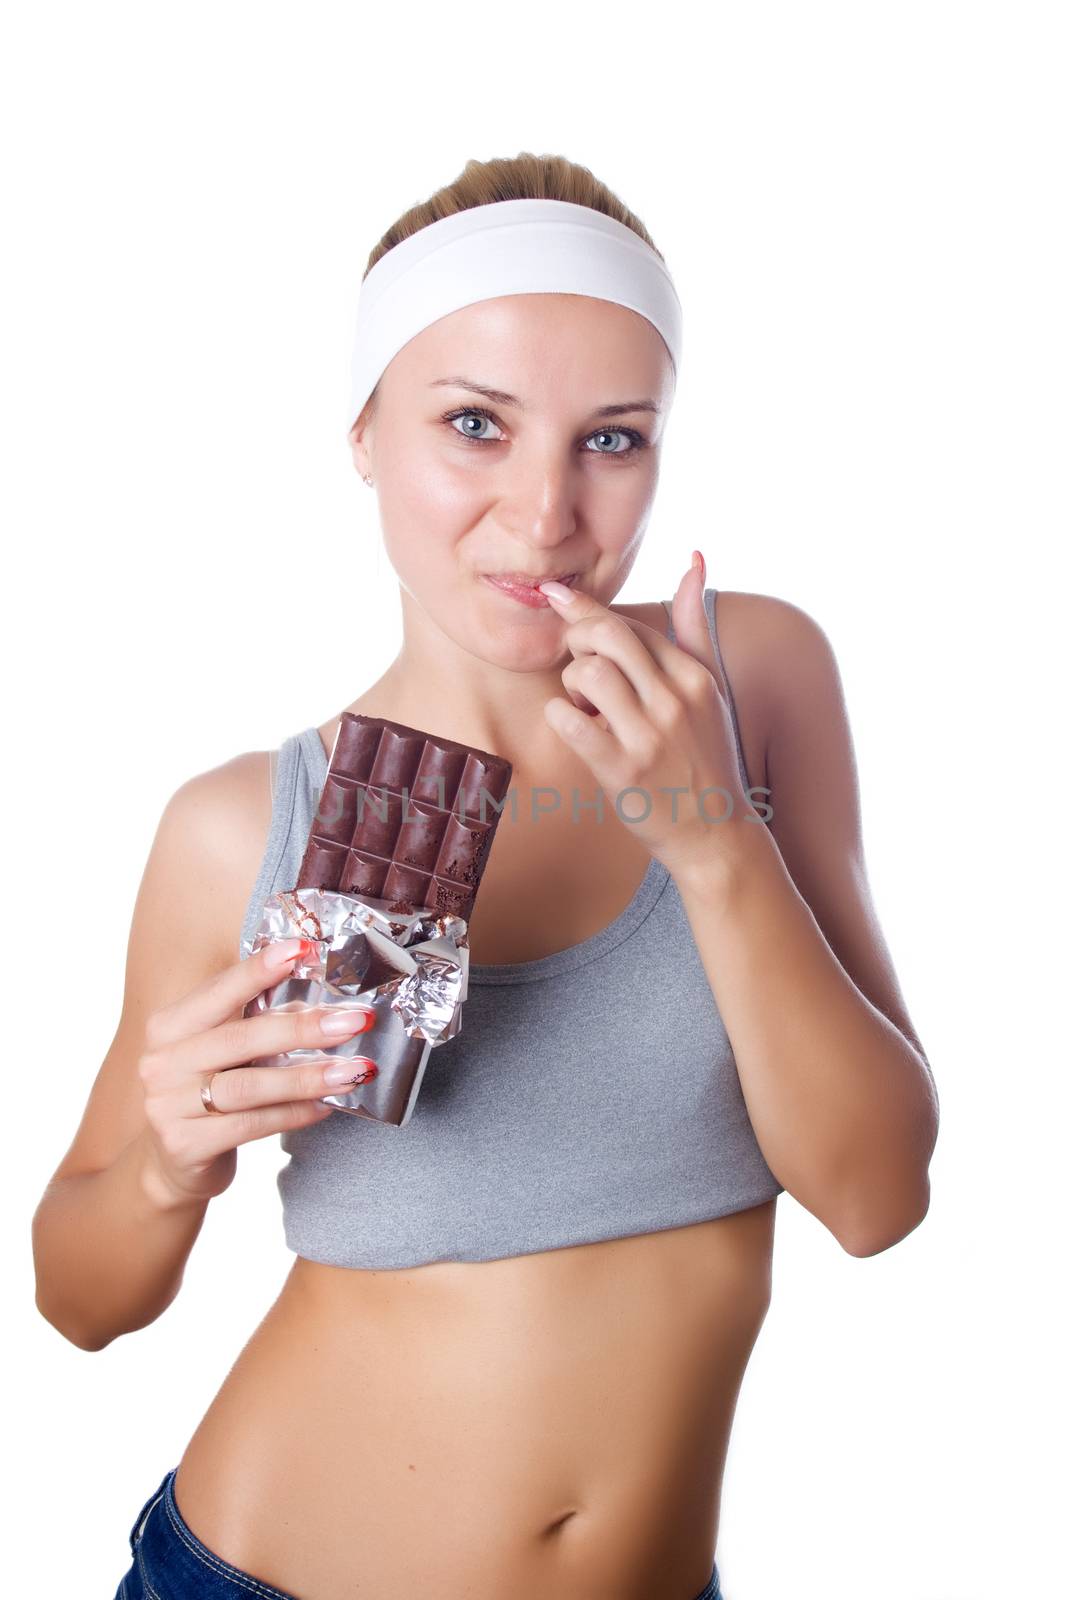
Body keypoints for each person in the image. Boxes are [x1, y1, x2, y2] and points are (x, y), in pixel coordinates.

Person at [32, 152, 939, 1600]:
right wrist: (167, 1160)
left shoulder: (747, 679)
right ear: (363, 436)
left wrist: (713, 842)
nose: (544, 514)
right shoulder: (242, 825)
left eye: (613, 438)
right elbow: (77, 1303)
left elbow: (875, 1194)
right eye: (474, 425)